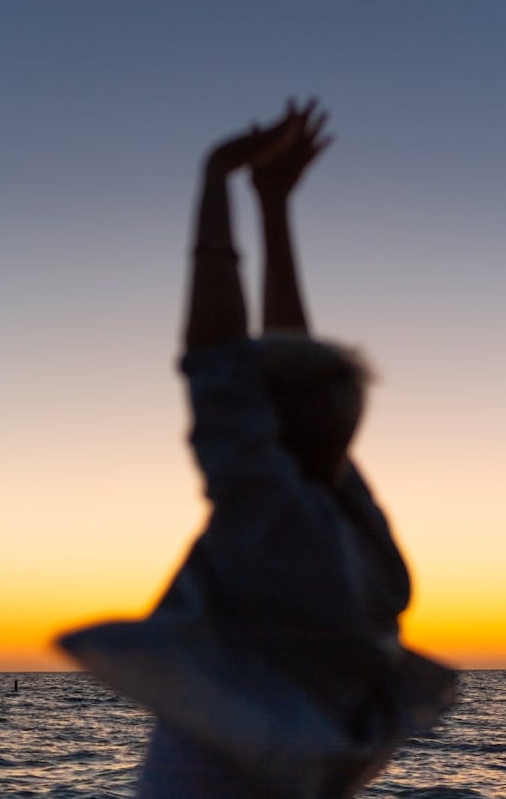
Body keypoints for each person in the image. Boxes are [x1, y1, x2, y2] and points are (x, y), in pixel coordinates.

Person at [58, 99, 455, 798]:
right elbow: (293, 369)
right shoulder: (361, 540)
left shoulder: (270, 521)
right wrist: (273, 208)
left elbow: (217, 356)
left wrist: (217, 174)